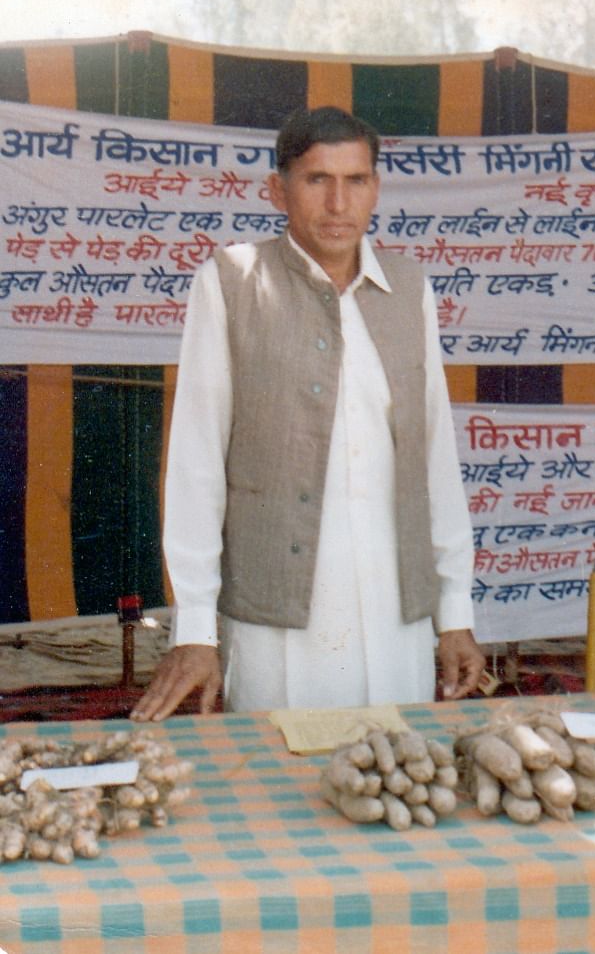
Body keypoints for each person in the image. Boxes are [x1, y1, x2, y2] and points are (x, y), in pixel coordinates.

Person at [131, 106, 484, 720]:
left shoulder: (409, 288)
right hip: (278, 628)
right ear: (278, 190)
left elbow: (435, 463)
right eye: (317, 180)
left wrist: (454, 616)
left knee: (397, 783)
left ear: (376, 187)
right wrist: (195, 629)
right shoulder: (230, 284)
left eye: (356, 180)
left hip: (396, 621)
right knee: (283, 789)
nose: (338, 203)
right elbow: (196, 467)